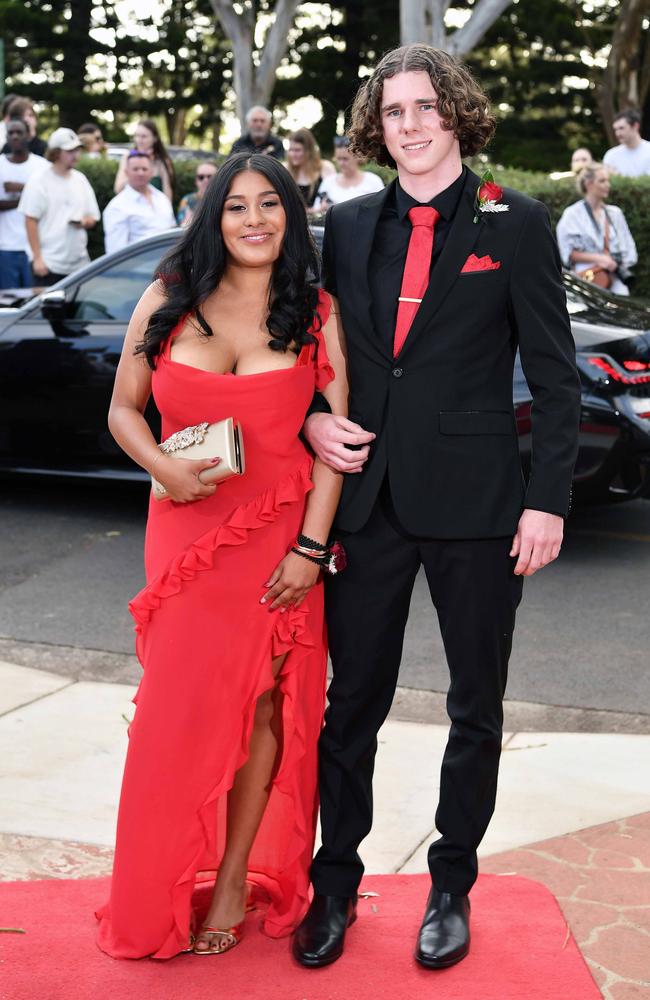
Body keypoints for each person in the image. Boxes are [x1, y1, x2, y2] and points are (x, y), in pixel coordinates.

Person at [294, 43, 581, 971]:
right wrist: (308, 423)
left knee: (475, 706)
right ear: (374, 129)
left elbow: (554, 376)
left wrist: (548, 504)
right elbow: (311, 353)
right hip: (367, 502)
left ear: (455, 113)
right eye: (392, 112)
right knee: (352, 706)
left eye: (424, 107)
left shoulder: (518, 223)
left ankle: (451, 883)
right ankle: (334, 884)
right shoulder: (345, 223)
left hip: (481, 504)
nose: (409, 125)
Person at [95, 151, 349, 960]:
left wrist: (313, 549)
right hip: (186, 537)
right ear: (214, 217)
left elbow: (337, 446)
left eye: (269, 205)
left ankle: (235, 877)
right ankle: (159, 879)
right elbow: (124, 411)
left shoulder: (314, 312)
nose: (253, 221)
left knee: (266, 706)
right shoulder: (168, 298)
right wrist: (162, 465)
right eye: (236, 207)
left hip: (280, 540)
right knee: (178, 714)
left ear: (290, 216)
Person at [18, 127, 100, 285]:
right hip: (49, 265)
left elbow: (93, 218)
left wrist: (82, 222)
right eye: (70, 151)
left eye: (77, 149)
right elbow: (30, 220)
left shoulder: (80, 180)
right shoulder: (39, 180)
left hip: (80, 266)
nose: (75, 154)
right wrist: (37, 259)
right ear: (55, 153)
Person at [556, 163, 637, 296]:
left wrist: (616, 263)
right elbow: (568, 253)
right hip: (589, 276)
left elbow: (628, 247)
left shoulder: (615, 213)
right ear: (589, 184)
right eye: (602, 181)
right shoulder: (572, 214)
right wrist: (600, 259)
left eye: (608, 180)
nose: (608, 185)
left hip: (615, 276)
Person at [0, 119, 47, 288]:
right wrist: (28, 198)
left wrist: (20, 188)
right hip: (6, 247)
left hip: (37, 249)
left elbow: (47, 202)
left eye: (19, 132)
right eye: (11, 133)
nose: (15, 136)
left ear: (28, 135)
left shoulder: (42, 166)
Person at [103, 151, 176, 254]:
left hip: (169, 266)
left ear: (151, 172)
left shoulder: (162, 199)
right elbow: (115, 253)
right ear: (126, 172)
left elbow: (172, 234)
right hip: (138, 268)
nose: (140, 173)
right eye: (135, 169)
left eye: (144, 169)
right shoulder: (117, 207)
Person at [114, 119, 174, 201]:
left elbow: (167, 193)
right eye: (137, 136)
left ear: (155, 138)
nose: (139, 140)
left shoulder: (162, 161)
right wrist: (134, 174)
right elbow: (118, 189)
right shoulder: (128, 157)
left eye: (144, 136)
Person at [317, 136, 384, 208]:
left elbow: (383, 208)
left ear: (357, 157)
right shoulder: (328, 182)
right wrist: (322, 208)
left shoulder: (373, 181)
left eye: (345, 159)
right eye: (338, 159)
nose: (341, 163)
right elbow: (315, 210)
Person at [285, 128, 335, 214]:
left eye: (297, 150)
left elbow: (333, 197)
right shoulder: (285, 169)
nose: (292, 154)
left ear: (309, 151)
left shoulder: (325, 167)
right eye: (290, 150)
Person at [603, 109, 650, 177]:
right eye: (615, 129)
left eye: (621, 128)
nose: (618, 133)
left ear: (635, 126)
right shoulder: (611, 155)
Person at [176, 160, 218, 226]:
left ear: (219, 179)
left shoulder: (224, 199)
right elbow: (182, 226)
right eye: (201, 177)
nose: (205, 180)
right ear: (196, 180)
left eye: (210, 177)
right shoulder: (187, 200)